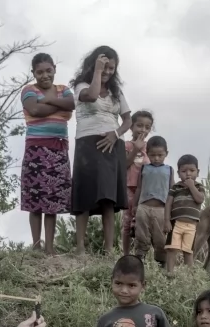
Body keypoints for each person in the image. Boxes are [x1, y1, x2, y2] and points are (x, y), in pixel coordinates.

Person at [70, 46, 132, 255]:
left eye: (111, 68)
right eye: (104, 67)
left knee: (108, 197)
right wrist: (97, 71)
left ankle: (109, 249)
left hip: (113, 144)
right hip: (88, 144)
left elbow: (128, 120)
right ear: (93, 65)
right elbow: (93, 95)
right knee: (84, 194)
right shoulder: (81, 86)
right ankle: (80, 248)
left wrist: (115, 134)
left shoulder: (116, 92)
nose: (107, 72)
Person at [20, 53, 75, 255]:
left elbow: (71, 104)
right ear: (33, 73)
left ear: (54, 69)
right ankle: (36, 245)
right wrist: (56, 103)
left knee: (52, 203)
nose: (44, 75)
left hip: (59, 150)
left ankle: (49, 249)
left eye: (48, 70)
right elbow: (34, 109)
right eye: (40, 72)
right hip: (36, 150)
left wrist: (48, 101)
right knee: (35, 200)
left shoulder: (64, 90)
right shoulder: (28, 90)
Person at [132, 136, 173, 267]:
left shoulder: (169, 170)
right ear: (147, 153)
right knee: (141, 237)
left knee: (161, 239)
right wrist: (134, 205)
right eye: (152, 155)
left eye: (160, 155)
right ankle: (139, 263)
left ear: (166, 153)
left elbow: (172, 191)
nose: (156, 158)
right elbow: (139, 188)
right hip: (143, 208)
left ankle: (162, 266)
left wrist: (172, 211)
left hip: (162, 210)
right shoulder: (144, 168)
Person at [164, 154, 205, 274]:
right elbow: (168, 204)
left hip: (192, 226)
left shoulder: (199, 187)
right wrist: (166, 221)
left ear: (198, 172)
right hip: (176, 223)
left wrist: (192, 186)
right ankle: (170, 273)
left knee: (188, 251)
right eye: (184, 171)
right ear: (178, 173)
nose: (188, 174)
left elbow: (200, 199)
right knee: (172, 249)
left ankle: (188, 277)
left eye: (192, 170)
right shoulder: (175, 188)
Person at [123, 111, 153, 255]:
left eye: (147, 127)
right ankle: (126, 254)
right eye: (139, 126)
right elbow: (125, 164)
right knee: (128, 222)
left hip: (146, 190)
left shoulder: (151, 147)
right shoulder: (127, 145)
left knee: (143, 222)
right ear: (131, 127)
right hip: (130, 187)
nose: (143, 130)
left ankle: (141, 254)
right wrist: (136, 148)